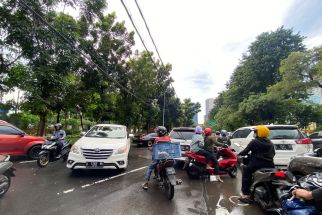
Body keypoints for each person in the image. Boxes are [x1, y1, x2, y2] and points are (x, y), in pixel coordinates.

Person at [238, 125, 275, 203]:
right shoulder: (270, 142)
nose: (254, 133)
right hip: (270, 164)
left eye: (255, 132)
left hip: (256, 164)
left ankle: (245, 195)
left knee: (246, 175)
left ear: (259, 133)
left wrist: (238, 154)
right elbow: (273, 153)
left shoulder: (254, 141)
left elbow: (245, 151)